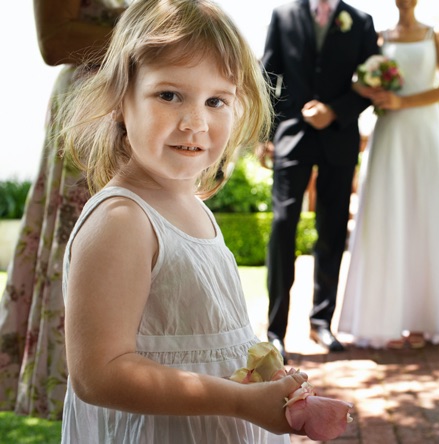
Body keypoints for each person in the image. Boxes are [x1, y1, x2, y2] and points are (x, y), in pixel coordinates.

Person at [56, 0, 309, 441]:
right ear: (120, 100)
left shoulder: (192, 206)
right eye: (169, 95)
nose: (195, 122)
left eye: (216, 101)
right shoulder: (122, 220)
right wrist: (236, 402)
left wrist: (258, 377)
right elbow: (98, 373)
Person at [0, 0, 128, 419]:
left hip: (154, 98)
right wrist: (155, 37)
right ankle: (85, 380)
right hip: (93, 110)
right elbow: (53, 43)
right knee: (87, 236)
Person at [337, 0, 439, 349]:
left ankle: (423, 319)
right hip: (389, 133)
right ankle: (385, 319)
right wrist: (372, 90)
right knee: (388, 218)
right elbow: (357, 83)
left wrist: (403, 101)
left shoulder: (437, 33)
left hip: (425, 132)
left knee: (427, 217)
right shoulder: (378, 36)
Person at [258, 0, 380, 360]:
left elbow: (372, 81)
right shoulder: (283, 15)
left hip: (339, 138)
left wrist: (335, 111)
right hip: (291, 137)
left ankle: (321, 322)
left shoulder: (360, 21)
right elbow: (268, 75)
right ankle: (275, 329)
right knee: (283, 225)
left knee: (332, 229)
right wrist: (266, 133)